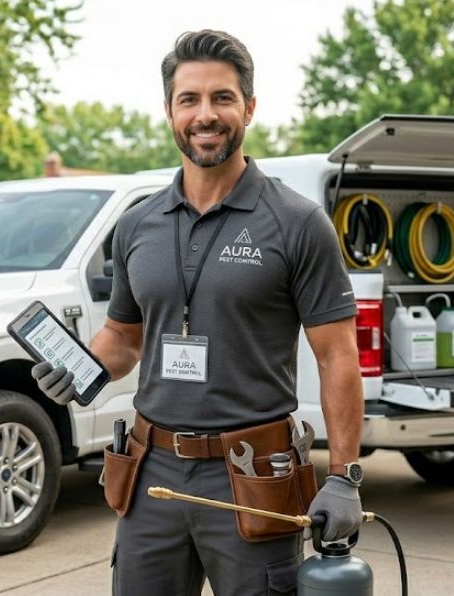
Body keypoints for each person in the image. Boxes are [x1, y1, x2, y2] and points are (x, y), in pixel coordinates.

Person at [32, 29, 364, 596]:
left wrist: (344, 476)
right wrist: (82, 366)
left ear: (249, 108)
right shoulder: (138, 223)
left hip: (255, 474)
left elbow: (336, 356)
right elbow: (124, 335)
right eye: (189, 99)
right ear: (169, 111)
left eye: (222, 98)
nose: (204, 115)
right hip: (151, 471)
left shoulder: (297, 221)